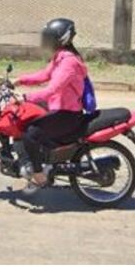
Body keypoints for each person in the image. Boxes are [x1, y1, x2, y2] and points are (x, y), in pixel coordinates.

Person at [14, 18, 90, 193]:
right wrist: (20, 80)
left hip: (67, 114)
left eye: (50, 39)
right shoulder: (60, 56)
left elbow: (53, 89)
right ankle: (41, 160)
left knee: (30, 134)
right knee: (22, 119)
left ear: (61, 39)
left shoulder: (69, 62)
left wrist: (26, 96)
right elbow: (45, 74)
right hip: (58, 107)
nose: (47, 42)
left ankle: (39, 176)